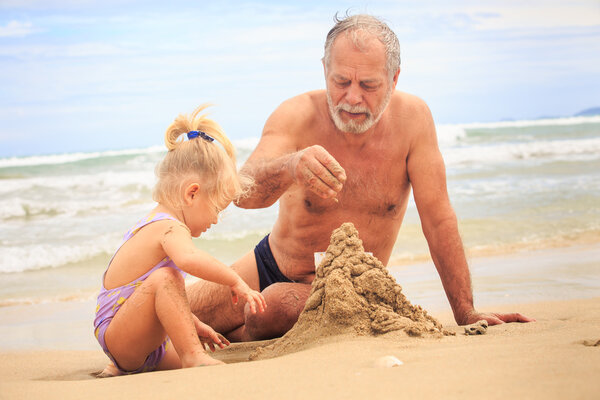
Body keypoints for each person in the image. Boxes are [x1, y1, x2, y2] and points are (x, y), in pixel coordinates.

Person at [188, 13, 534, 342]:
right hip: (269, 263)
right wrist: (290, 166)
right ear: (325, 70)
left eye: (368, 85)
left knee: (270, 309)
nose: (353, 98)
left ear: (394, 78)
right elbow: (243, 193)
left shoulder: (413, 121)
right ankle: (228, 336)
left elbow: (438, 219)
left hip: (351, 288)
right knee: (168, 316)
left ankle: (238, 336)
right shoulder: (296, 115)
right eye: (341, 81)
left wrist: (466, 311)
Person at [93, 104, 267, 375]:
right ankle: (193, 357)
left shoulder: (156, 223)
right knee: (166, 278)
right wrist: (234, 281)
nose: (216, 220)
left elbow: (159, 302)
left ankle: (126, 365)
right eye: (217, 209)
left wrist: (193, 324)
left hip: (142, 345)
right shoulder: (169, 228)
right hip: (121, 335)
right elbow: (189, 260)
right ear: (192, 194)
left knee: (168, 283)